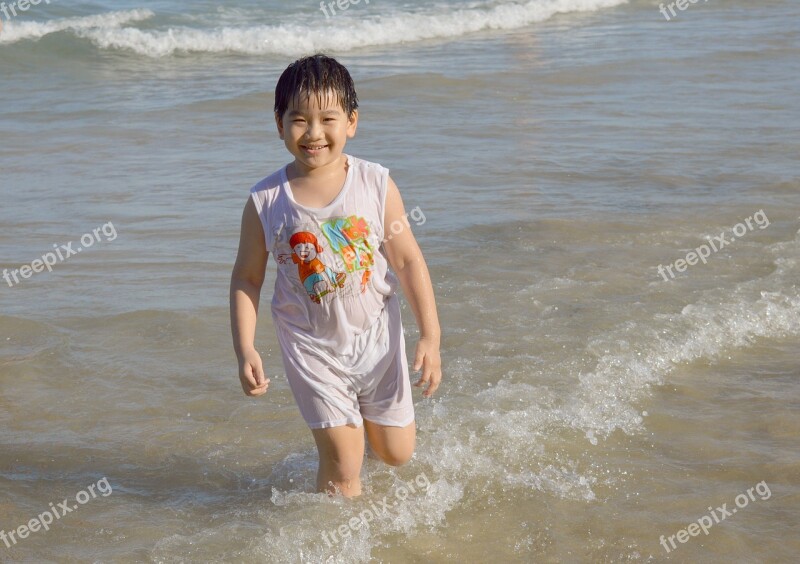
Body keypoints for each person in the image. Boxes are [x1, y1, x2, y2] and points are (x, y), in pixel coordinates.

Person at [229, 54, 442, 498]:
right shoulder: (266, 200)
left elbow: (406, 260)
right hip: (311, 344)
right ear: (278, 123)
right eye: (299, 119)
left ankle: (353, 426)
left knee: (396, 453)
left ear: (352, 122)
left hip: (377, 336)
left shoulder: (375, 183)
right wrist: (245, 346)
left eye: (328, 118)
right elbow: (247, 278)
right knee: (345, 465)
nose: (314, 133)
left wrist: (430, 336)